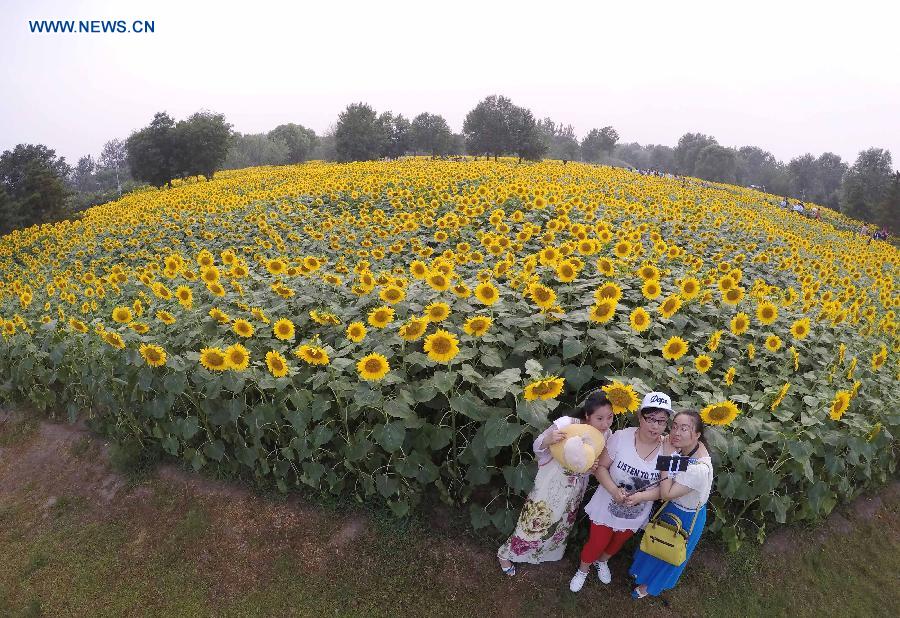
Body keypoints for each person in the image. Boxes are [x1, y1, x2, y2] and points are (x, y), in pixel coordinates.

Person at [497, 388, 615, 575]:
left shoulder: (606, 435)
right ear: (587, 415)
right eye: (600, 418)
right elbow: (538, 446)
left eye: (610, 417)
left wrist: (592, 469)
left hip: (576, 486)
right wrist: (548, 439)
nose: (605, 423)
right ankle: (506, 553)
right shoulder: (567, 424)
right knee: (534, 520)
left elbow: (590, 465)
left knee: (560, 521)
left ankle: (544, 553)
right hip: (551, 481)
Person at [569, 391, 673, 592]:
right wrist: (614, 490)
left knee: (617, 542)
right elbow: (600, 467)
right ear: (640, 416)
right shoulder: (622, 437)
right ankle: (583, 569)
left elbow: (665, 489)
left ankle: (603, 562)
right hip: (607, 505)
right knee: (597, 541)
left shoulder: (666, 450)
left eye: (661, 421)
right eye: (650, 419)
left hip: (636, 510)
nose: (655, 426)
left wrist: (641, 497)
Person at [629, 409, 714, 599]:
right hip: (675, 506)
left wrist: (666, 457)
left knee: (669, 551)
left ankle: (649, 587)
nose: (675, 432)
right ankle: (642, 574)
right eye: (674, 426)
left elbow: (667, 493)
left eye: (684, 428)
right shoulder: (690, 448)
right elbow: (675, 475)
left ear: (697, 434)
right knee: (656, 542)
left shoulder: (699, 469)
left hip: (687, 517)